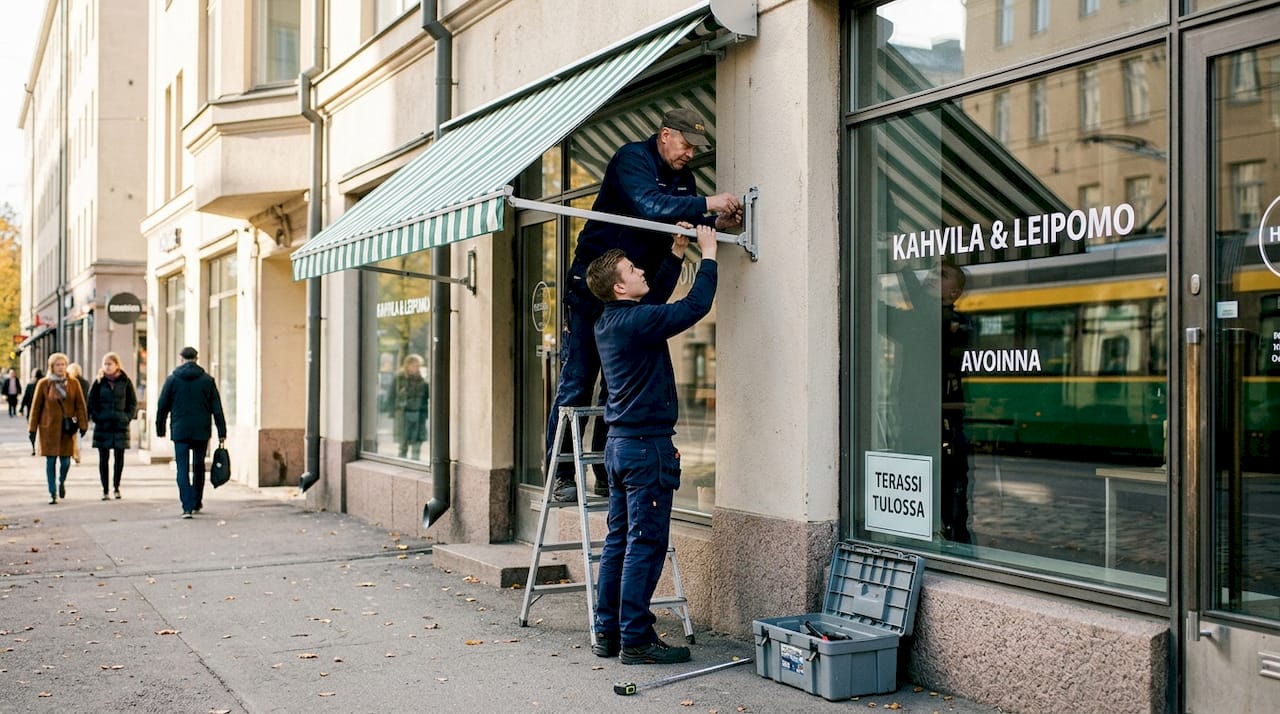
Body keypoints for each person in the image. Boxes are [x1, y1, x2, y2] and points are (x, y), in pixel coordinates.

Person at [545, 107, 743, 503]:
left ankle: (605, 470)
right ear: (665, 135)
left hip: (637, 288)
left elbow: (677, 222)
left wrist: (714, 225)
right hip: (593, 286)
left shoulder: (684, 180)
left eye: (695, 148)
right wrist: (711, 200)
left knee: (617, 386)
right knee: (579, 378)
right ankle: (562, 473)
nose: (690, 154)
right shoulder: (631, 159)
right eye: (686, 144)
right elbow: (651, 206)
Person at [587, 224, 719, 665]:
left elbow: (655, 303)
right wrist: (710, 253)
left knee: (619, 541)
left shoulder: (614, 321)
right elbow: (691, 307)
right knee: (644, 544)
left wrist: (676, 254)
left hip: (622, 448)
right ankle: (637, 640)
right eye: (632, 268)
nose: (640, 270)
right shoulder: (636, 323)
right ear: (620, 286)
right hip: (646, 450)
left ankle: (608, 632)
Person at [889, 260, 973, 544]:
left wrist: (904, 272)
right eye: (934, 271)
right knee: (920, 509)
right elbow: (888, 317)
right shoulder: (922, 319)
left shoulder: (955, 322)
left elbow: (926, 315)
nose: (934, 277)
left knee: (952, 513)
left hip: (944, 433)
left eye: (943, 275)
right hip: (916, 429)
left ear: (955, 293)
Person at [155, 346, 227, 519]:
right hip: (201, 431)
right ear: (197, 359)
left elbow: (162, 406)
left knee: (182, 468)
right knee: (199, 466)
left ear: (181, 359)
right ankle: (196, 501)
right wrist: (222, 431)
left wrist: (160, 428)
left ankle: (186, 506)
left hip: (180, 430)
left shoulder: (172, 380)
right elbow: (217, 408)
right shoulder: (207, 381)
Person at [27, 353, 88, 504]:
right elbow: (35, 408)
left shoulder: (73, 383)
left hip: (67, 430)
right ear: (52, 367)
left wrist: (83, 424)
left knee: (66, 462)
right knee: (51, 461)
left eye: (63, 364)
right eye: (58, 365)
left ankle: (61, 481)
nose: (61, 367)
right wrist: (32, 429)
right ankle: (52, 492)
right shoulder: (44, 384)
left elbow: (80, 405)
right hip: (49, 429)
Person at [87, 352, 138, 500]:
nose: (107, 367)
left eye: (110, 364)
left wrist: (126, 417)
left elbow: (132, 402)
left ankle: (116, 487)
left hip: (120, 425)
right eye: (105, 364)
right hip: (103, 425)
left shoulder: (125, 381)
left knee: (119, 458)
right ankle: (105, 489)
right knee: (103, 458)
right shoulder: (98, 382)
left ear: (117, 365)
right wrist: (97, 417)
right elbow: (91, 402)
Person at [393, 353, 429, 460]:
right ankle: (402, 464)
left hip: (419, 414)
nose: (416, 368)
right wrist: (393, 411)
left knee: (417, 443)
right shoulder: (399, 378)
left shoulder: (423, 380)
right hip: (404, 414)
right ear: (407, 365)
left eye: (418, 366)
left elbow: (426, 397)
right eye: (414, 365)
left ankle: (415, 462)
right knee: (403, 443)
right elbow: (392, 396)